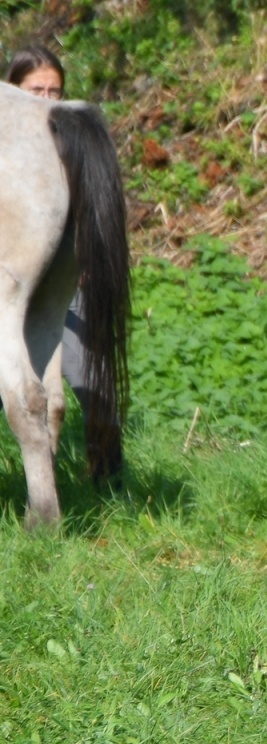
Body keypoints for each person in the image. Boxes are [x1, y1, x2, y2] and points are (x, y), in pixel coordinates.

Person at [7, 44, 114, 464]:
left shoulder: (70, 138)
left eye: (56, 91)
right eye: (36, 90)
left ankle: (110, 476)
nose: (48, 101)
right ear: (12, 90)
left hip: (68, 283)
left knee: (92, 377)